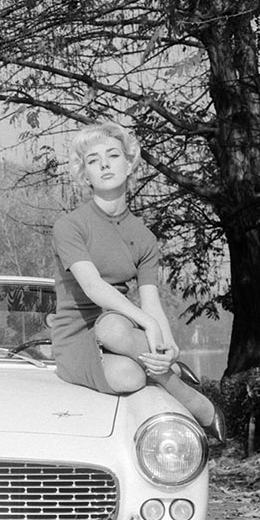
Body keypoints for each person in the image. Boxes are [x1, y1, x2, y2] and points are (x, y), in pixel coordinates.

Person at [51, 121, 224, 440]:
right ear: (85, 175)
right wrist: (149, 326)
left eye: (113, 155)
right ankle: (191, 399)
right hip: (77, 334)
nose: (103, 164)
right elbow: (93, 287)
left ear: (129, 164)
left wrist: (167, 343)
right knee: (121, 348)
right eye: (92, 160)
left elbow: (151, 302)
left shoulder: (144, 237)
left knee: (126, 358)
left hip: (122, 330)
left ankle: (165, 366)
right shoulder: (69, 226)